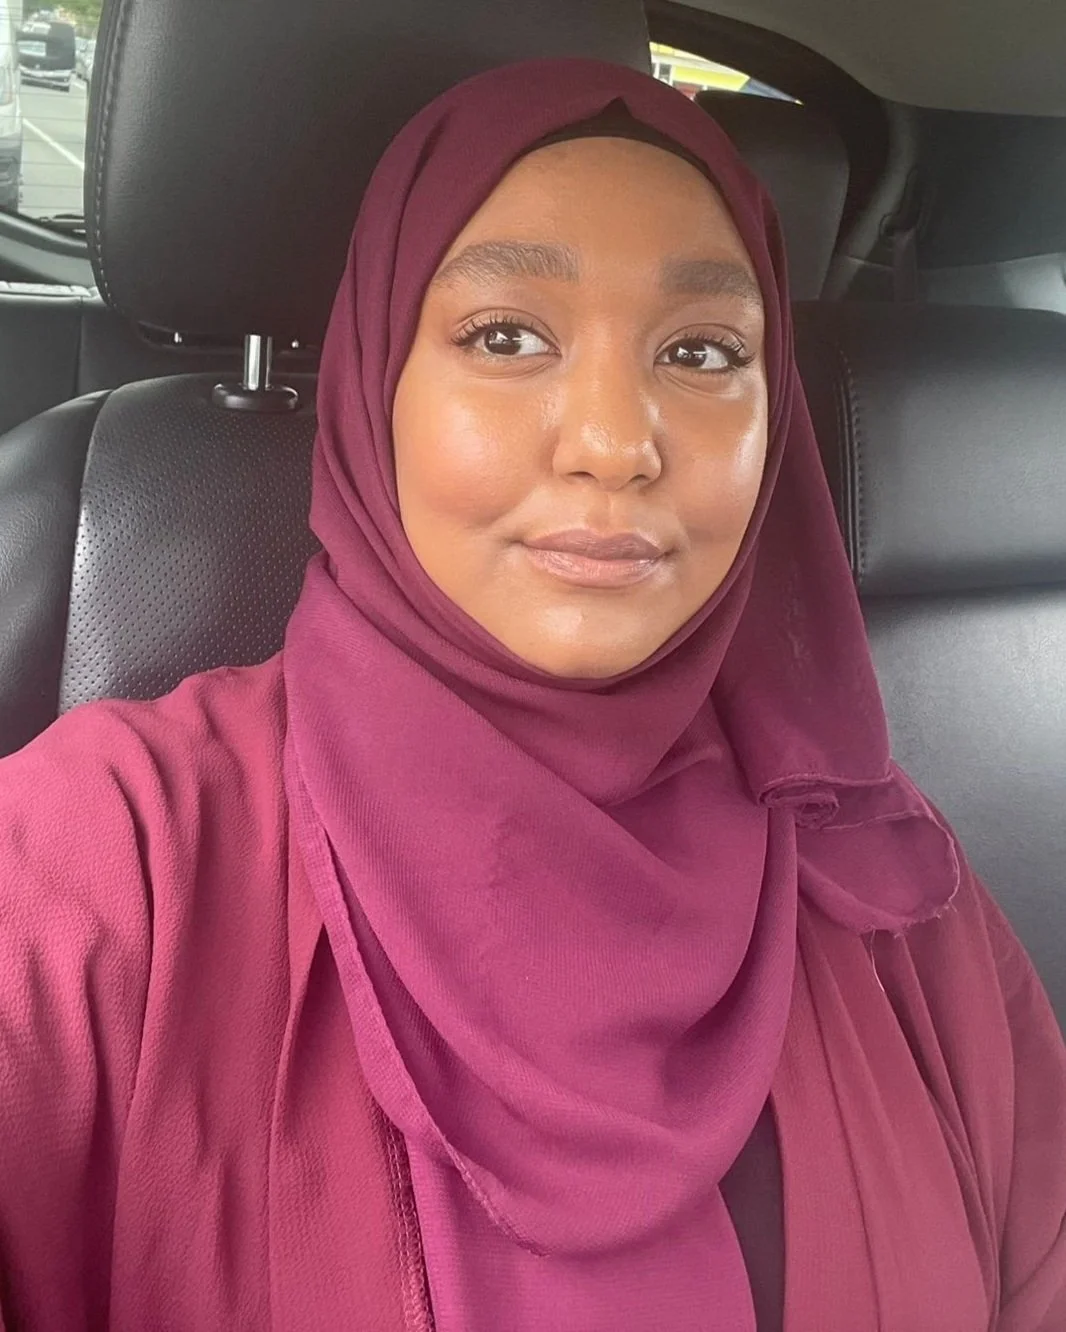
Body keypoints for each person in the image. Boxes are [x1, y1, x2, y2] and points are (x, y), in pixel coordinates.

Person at [0, 57, 1063, 1332]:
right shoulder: (106, 856)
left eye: (702, 351)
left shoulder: (885, 882)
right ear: (375, 385)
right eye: (505, 337)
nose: (614, 444)